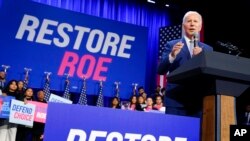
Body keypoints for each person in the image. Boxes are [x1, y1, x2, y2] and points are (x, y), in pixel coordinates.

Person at [158, 11, 213, 116]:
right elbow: (160, 70)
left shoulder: (208, 49)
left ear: (200, 27)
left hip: (198, 102)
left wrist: (202, 58)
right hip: (175, 100)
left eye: (195, 21)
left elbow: (210, 75)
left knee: (196, 132)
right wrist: (172, 55)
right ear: (184, 26)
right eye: (189, 21)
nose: (192, 24)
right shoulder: (172, 45)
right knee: (174, 132)